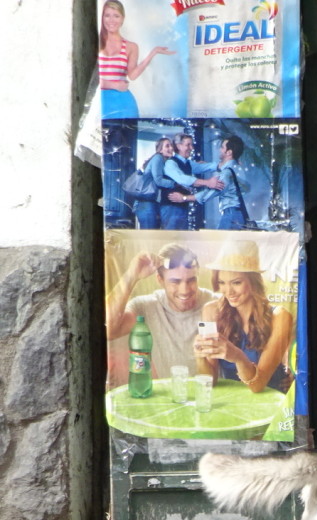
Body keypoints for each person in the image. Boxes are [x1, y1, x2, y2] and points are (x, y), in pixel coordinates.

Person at [194, 242, 294, 394]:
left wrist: (238, 357)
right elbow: (209, 383)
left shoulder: (280, 317)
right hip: (233, 403)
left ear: (253, 281)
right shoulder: (210, 311)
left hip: (270, 401)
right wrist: (200, 356)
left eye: (236, 282)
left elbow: (258, 385)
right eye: (222, 283)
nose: (228, 291)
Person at [105, 243, 216, 379]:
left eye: (191, 280)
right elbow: (108, 330)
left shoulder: (214, 303)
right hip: (169, 396)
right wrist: (132, 275)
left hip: (211, 393)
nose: (185, 290)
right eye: (175, 282)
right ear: (160, 280)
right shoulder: (145, 307)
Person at [98, 0, 174, 120]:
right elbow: (90, 79)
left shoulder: (130, 46)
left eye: (116, 16)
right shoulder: (93, 42)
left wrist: (152, 54)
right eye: (107, 15)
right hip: (100, 101)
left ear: (122, 19)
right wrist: (114, 85)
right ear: (102, 18)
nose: (111, 20)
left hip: (123, 103)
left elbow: (132, 76)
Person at [172, 135, 250, 230]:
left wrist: (184, 198)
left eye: (222, 147)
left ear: (229, 152)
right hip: (237, 215)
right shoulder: (237, 168)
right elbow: (246, 188)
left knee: (218, 243)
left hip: (230, 215)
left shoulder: (226, 173)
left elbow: (208, 194)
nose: (220, 150)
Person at [160, 132, 224, 230]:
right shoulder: (170, 163)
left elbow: (203, 167)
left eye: (191, 145)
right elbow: (183, 179)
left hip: (182, 207)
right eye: (188, 145)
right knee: (171, 238)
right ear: (178, 146)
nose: (191, 148)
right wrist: (208, 182)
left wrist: (225, 163)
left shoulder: (188, 163)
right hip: (171, 208)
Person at [132, 136, 176, 230]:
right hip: (147, 204)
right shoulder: (158, 158)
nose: (171, 148)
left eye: (171, 146)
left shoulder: (163, 161)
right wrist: (175, 184)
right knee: (150, 238)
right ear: (160, 150)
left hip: (149, 204)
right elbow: (158, 181)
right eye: (167, 146)